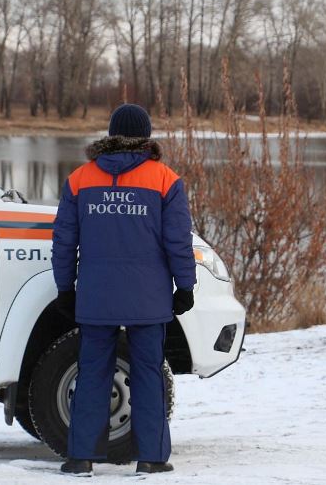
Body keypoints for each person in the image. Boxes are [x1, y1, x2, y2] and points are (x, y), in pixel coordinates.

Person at [51, 103, 196, 477]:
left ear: (111, 134)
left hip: (96, 296)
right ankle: (151, 458)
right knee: (148, 373)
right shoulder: (165, 179)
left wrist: (65, 287)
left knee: (92, 372)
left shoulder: (80, 179)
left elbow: (64, 241)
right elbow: (178, 241)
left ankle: (80, 457)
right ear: (146, 136)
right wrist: (185, 285)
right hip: (149, 298)